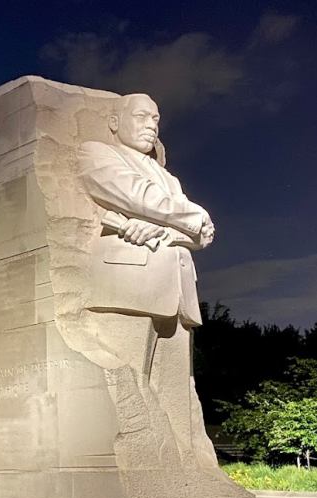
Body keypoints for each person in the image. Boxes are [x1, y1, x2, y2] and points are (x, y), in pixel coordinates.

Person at [77, 93, 220, 471]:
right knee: (131, 387)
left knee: (178, 395)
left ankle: (187, 474)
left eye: (156, 119)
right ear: (114, 122)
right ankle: (146, 472)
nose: (151, 125)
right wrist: (191, 216)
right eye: (141, 116)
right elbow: (137, 195)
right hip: (127, 285)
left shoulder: (170, 179)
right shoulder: (97, 153)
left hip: (176, 292)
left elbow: (203, 236)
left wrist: (167, 231)